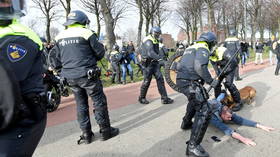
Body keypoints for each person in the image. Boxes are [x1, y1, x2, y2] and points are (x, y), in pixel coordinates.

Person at [50, 10, 119, 144]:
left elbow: (54, 59)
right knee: (98, 101)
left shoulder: (59, 37)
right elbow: (99, 53)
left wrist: (62, 72)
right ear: (83, 21)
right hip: (88, 76)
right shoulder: (87, 33)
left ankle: (86, 134)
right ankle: (106, 131)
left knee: (81, 105)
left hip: (70, 77)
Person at [0, 0, 47, 156]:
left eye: (7, 1)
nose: (6, 5)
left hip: (19, 121)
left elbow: (7, 81)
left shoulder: (18, 36)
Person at [176, 32, 219, 157]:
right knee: (204, 109)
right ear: (209, 42)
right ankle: (193, 147)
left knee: (194, 100)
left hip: (183, 80)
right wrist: (211, 81)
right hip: (190, 82)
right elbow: (199, 66)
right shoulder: (203, 47)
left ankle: (186, 123)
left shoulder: (191, 47)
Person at [209, 93, 275, 146]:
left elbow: (241, 120)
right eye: (228, 118)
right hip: (204, 110)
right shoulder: (213, 118)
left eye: (230, 117)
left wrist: (260, 126)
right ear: (222, 115)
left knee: (221, 96)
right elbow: (228, 130)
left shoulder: (224, 109)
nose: (230, 119)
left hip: (216, 103)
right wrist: (243, 139)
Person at [138, 26, 173, 104]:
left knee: (160, 79)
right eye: (156, 33)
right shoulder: (148, 40)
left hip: (155, 63)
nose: (157, 35)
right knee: (147, 81)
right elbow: (150, 53)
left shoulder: (156, 40)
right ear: (152, 32)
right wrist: (160, 59)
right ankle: (141, 98)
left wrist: (159, 59)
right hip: (147, 64)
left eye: (158, 34)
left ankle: (164, 98)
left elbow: (157, 52)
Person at [210, 44, 243, 112]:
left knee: (229, 84)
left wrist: (225, 71)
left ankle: (238, 102)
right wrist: (218, 74)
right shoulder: (211, 56)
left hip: (231, 66)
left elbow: (234, 62)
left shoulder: (222, 50)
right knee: (216, 84)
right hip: (222, 67)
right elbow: (215, 67)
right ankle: (219, 101)